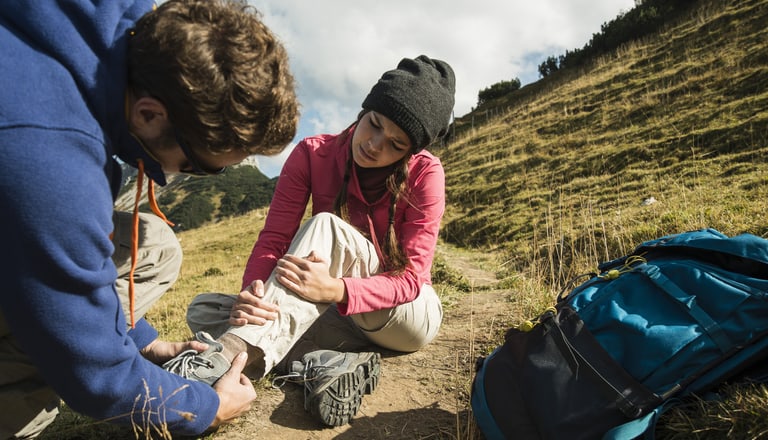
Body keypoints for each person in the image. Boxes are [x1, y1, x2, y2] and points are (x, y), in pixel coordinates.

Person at [0, 0, 298, 438]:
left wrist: (148, 344)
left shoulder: (121, 28)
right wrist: (206, 407)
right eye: (203, 165)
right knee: (28, 414)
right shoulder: (52, 163)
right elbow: (95, 379)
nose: (189, 176)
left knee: (153, 243)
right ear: (149, 114)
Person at [167, 55, 455, 427]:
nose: (375, 144)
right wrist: (252, 293)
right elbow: (274, 239)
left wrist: (336, 289)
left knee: (325, 226)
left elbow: (412, 280)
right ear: (364, 109)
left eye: (395, 143)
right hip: (342, 316)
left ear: (409, 151)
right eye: (374, 124)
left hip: (406, 314)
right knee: (205, 310)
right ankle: (324, 362)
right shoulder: (313, 153)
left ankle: (226, 356)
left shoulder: (426, 174)